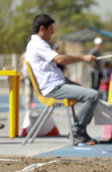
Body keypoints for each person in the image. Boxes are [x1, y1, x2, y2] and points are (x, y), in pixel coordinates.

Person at [25, 14, 100, 145]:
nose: (53, 32)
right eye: (51, 29)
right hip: (53, 89)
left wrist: (70, 82)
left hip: (58, 85)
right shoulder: (37, 44)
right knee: (93, 95)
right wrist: (84, 58)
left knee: (90, 93)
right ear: (42, 29)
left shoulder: (40, 44)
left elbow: (51, 70)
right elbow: (59, 59)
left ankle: (79, 130)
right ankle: (78, 131)